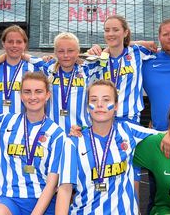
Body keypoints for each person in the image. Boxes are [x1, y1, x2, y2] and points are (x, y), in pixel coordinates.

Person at [57, 80, 159, 215]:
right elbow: (65, 190)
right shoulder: (73, 141)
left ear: (116, 106)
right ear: (87, 106)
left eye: (106, 100)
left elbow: (167, 135)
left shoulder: (128, 130)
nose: (99, 104)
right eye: (94, 100)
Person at [0, 72, 70, 215]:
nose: (33, 97)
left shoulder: (57, 133)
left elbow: (52, 184)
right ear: (21, 96)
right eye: (27, 92)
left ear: (47, 95)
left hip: (43, 200)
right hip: (9, 199)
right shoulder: (5, 121)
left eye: (38, 92)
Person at [87, 15, 157, 125]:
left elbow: (166, 50)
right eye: (107, 30)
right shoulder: (99, 58)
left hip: (129, 118)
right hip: (102, 119)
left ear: (125, 32)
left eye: (116, 30)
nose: (110, 34)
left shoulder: (137, 52)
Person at [0, 25, 43, 118]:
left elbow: (50, 68)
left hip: (25, 128)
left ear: (25, 44)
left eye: (19, 42)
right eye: (10, 42)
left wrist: (25, 56)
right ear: (3, 43)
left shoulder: (34, 70)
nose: (14, 45)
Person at [41, 32, 93, 132]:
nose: (66, 55)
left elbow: (112, 54)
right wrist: (1, 58)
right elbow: (23, 57)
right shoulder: (47, 68)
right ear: (55, 52)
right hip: (52, 132)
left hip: (81, 131)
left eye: (70, 51)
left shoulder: (87, 70)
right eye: (61, 51)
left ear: (78, 51)